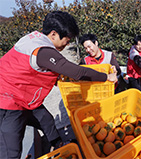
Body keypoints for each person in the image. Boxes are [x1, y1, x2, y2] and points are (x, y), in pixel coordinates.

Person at [0, 11, 117, 159]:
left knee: (46, 120)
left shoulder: (34, 38)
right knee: (10, 151)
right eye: (66, 40)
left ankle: (59, 144)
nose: (67, 44)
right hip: (7, 102)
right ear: (54, 34)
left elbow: (30, 69)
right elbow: (77, 72)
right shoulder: (43, 50)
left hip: (25, 96)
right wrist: (106, 77)